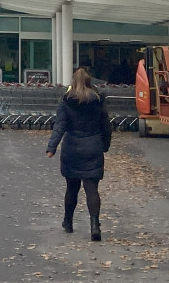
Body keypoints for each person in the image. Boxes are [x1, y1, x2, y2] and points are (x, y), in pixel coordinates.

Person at [46, 67, 112, 241]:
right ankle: (94, 225)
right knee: (92, 190)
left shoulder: (66, 102)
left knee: (72, 188)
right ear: (90, 82)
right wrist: (105, 145)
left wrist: (51, 147)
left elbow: (59, 126)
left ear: (73, 82)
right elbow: (106, 126)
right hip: (93, 147)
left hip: (72, 148)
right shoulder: (98, 101)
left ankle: (68, 222)